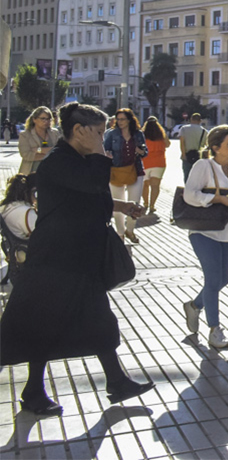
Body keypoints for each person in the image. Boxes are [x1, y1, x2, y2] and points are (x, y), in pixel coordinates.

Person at [0, 102, 153, 416]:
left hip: (78, 257)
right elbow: (93, 182)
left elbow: (90, 196)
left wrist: (122, 208)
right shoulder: (59, 161)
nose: (102, 138)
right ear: (79, 131)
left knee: (99, 319)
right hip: (55, 259)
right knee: (43, 323)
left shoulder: (77, 160)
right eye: (97, 132)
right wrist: (100, 152)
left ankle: (116, 381)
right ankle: (33, 392)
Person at [181, 125, 228, 349]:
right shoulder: (204, 165)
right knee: (212, 280)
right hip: (204, 231)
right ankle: (215, 330)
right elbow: (189, 194)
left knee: (223, 280)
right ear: (215, 147)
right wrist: (217, 199)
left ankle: (194, 306)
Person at [105, 108, 147, 244]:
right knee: (118, 204)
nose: (119, 122)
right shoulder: (111, 134)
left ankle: (130, 229)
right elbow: (105, 149)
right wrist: (108, 155)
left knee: (135, 203)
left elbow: (145, 152)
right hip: (116, 171)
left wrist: (141, 151)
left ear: (129, 120)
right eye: (118, 119)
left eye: (122, 119)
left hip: (135, 170)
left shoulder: (138, 134)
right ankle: (120, 233)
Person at [0, 173, 37, 284]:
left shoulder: (7, 206)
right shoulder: (26, 212)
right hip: (24, 251)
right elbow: (42, 234)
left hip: (13, 249)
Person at [18, 107, 61, 175]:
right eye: (43, 118)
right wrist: (49, 154)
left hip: (52, 173)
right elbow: (26, 155)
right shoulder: (25, 135)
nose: (46, 121)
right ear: (34, 119)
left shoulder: (55, 133)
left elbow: (59, 151)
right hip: (31, 173)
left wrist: (38, 150)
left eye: (48, 119)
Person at [141, 117, 168, 214]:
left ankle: (145, 203)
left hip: (145, 163)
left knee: (144, 185)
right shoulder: (161, 135)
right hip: (159, 163)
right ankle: (152, 205)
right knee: (155, 186)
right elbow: (168, 144)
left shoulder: (142, 135)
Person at [179, 113, 207, 182]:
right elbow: (205, 145)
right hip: (198, 156)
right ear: (200, 121)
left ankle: (188, 191)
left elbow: (182, 143)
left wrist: (183, 154)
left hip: (187, 155)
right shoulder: (204, 131)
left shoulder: (184, 129)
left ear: (191, 119)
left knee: (187, 177)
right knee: (198, 177)